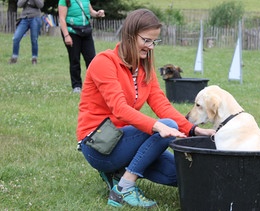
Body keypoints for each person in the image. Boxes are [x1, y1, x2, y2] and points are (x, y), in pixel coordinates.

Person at [76, 8, 216, 208]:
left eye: (155, 41)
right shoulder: (104, 62)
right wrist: (158, 127)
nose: (150, 47)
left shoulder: (144, 68)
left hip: (123, 142)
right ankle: (124, 187)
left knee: (181, 174)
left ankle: (117, 172)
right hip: (98, 146)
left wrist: (193, 130)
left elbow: (162, 104)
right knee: (164, 126)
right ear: (130, 36)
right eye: (146, 40)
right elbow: (119, 108)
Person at [58, 0, 105, 93]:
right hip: (72, 32)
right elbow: (62, 18)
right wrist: (66, 36)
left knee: (91, 59)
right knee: (74, 59)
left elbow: (91, 12)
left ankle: (94, 84)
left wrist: (98, 13)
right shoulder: (64, 1)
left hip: (86, 31)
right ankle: (76, 86)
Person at [9, 0, 44, 65]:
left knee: (34, 39)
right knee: (16, 38)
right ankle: (14, 57)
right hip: (24, 18)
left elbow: (40, 5)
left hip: (35, 18)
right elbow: (19, 5)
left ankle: (34, 58)